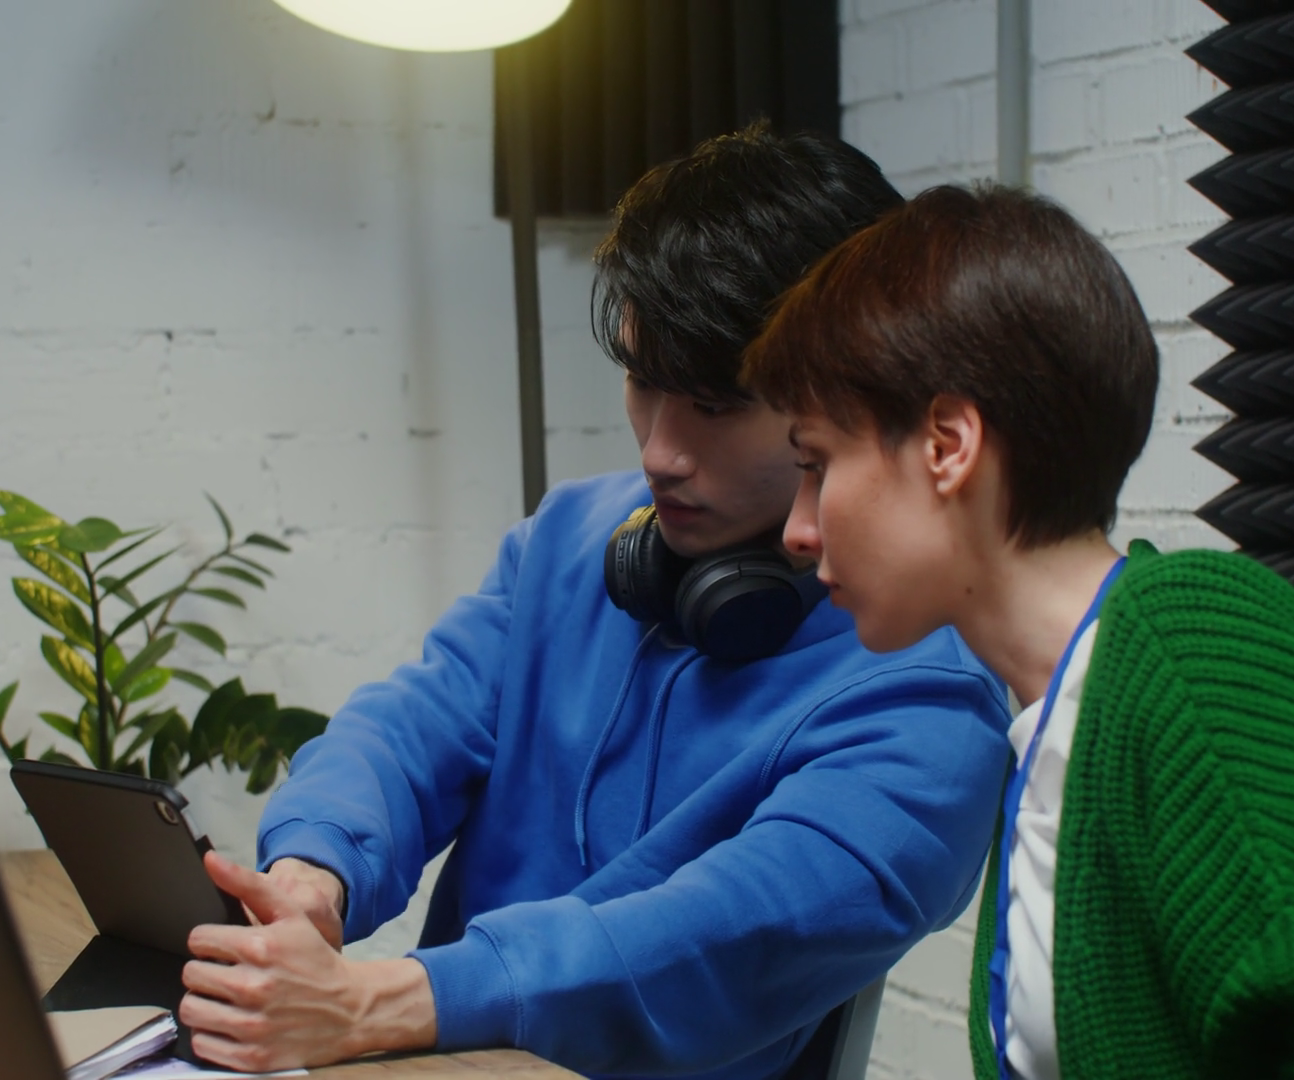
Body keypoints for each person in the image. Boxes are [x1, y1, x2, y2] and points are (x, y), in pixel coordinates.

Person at [175, 126, 1014, 1079]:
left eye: (715, 404)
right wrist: (313, 872)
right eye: (643, 383)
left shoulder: (928, 698)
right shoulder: (573, 540)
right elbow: (410, 728)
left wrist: (377, 1000)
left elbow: (710, 940)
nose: (660, 452)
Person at [743, 183, 1294, 1079]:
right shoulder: (1050, 720)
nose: (799, 531)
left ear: (948, 445)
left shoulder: (1200, 649)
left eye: (817, 464)